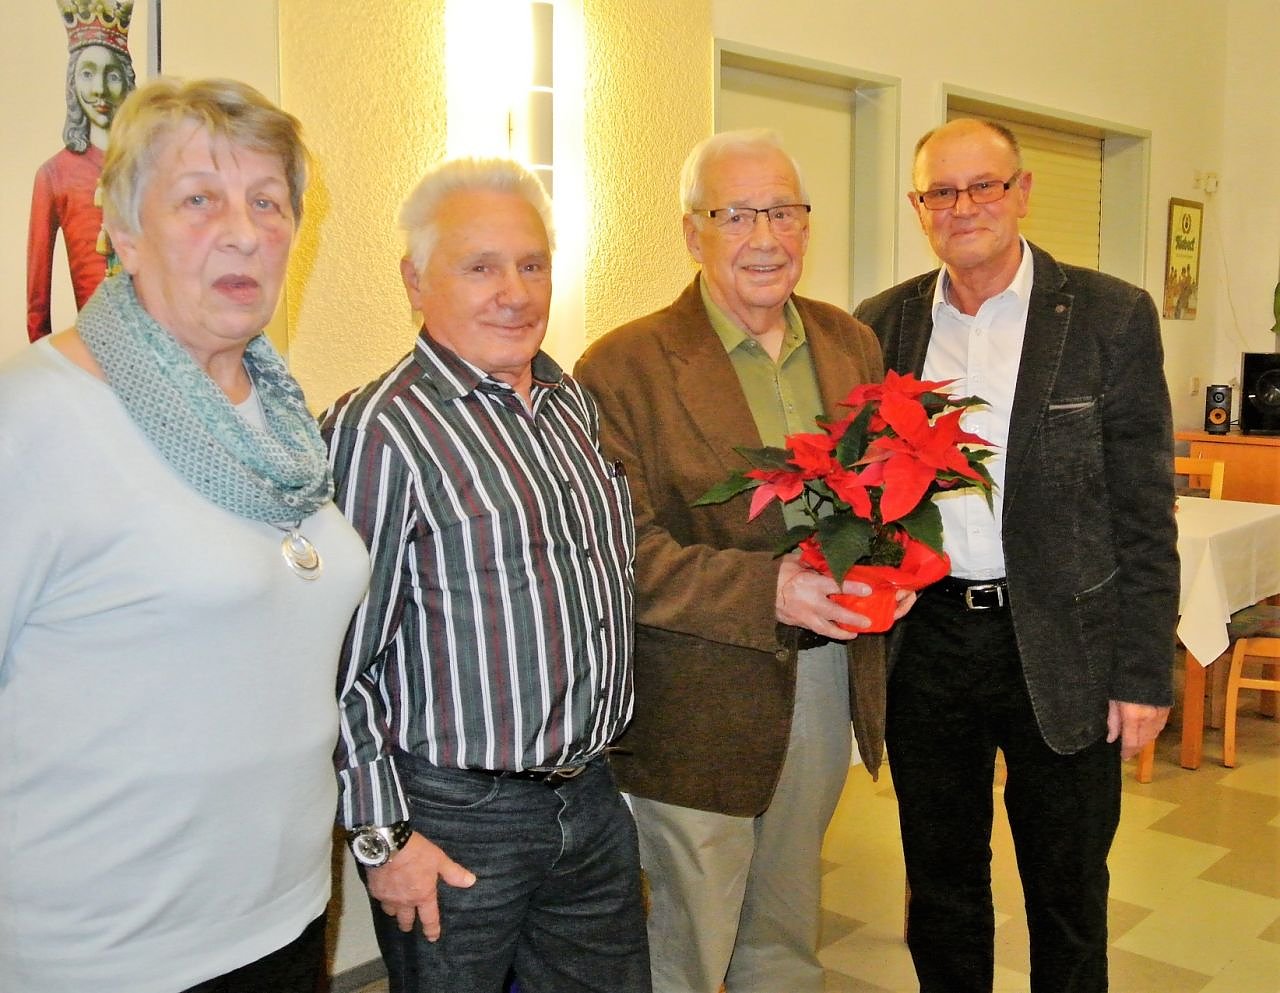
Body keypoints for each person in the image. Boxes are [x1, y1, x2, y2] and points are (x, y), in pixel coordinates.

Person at [0, 77, 371, 993]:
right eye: (200, 199)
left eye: (268, 201)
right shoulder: (36, 417)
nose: (243, 231)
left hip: (286, 914)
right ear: (125, 235)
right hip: (108, 950)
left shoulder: (283, 423)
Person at [852, 118, 1179, 993]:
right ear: (919, 207)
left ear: (1023, 192)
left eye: (984, 185)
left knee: (1068, 889)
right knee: (941, 886)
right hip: (928, 644)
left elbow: (1145, 511)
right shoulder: (881, 324)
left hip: (1064, 643)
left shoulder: (1109, 316)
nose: (964, 207)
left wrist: (1144, 672)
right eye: (941, 192)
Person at [574, 129, 904, 993]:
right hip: (694, 703)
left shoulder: (848, 343)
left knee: (786, 929)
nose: (766, 237)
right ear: (693, 233)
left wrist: (892, 563)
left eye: (785, 212)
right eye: (737, 215)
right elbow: (622, 551)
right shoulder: (622, 366)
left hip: (826, 679)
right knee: (689, 942)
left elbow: (880, 492)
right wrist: (771, 590)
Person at [322, 157, 650, 993]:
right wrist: (383, 838)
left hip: (590, 800)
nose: (515, 292)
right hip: (456, 820)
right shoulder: (380, 430)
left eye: (532, 264)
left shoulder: (569, 402)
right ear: (415, 281)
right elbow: (334, 661)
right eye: (480, 267)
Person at [28, 0, 139, 342]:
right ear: (72, 82)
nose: (99, 89)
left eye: (112, 75)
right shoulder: (53, 175)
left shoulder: (150, 166)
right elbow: (37, 300)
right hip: (91, 351)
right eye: (87, 73)